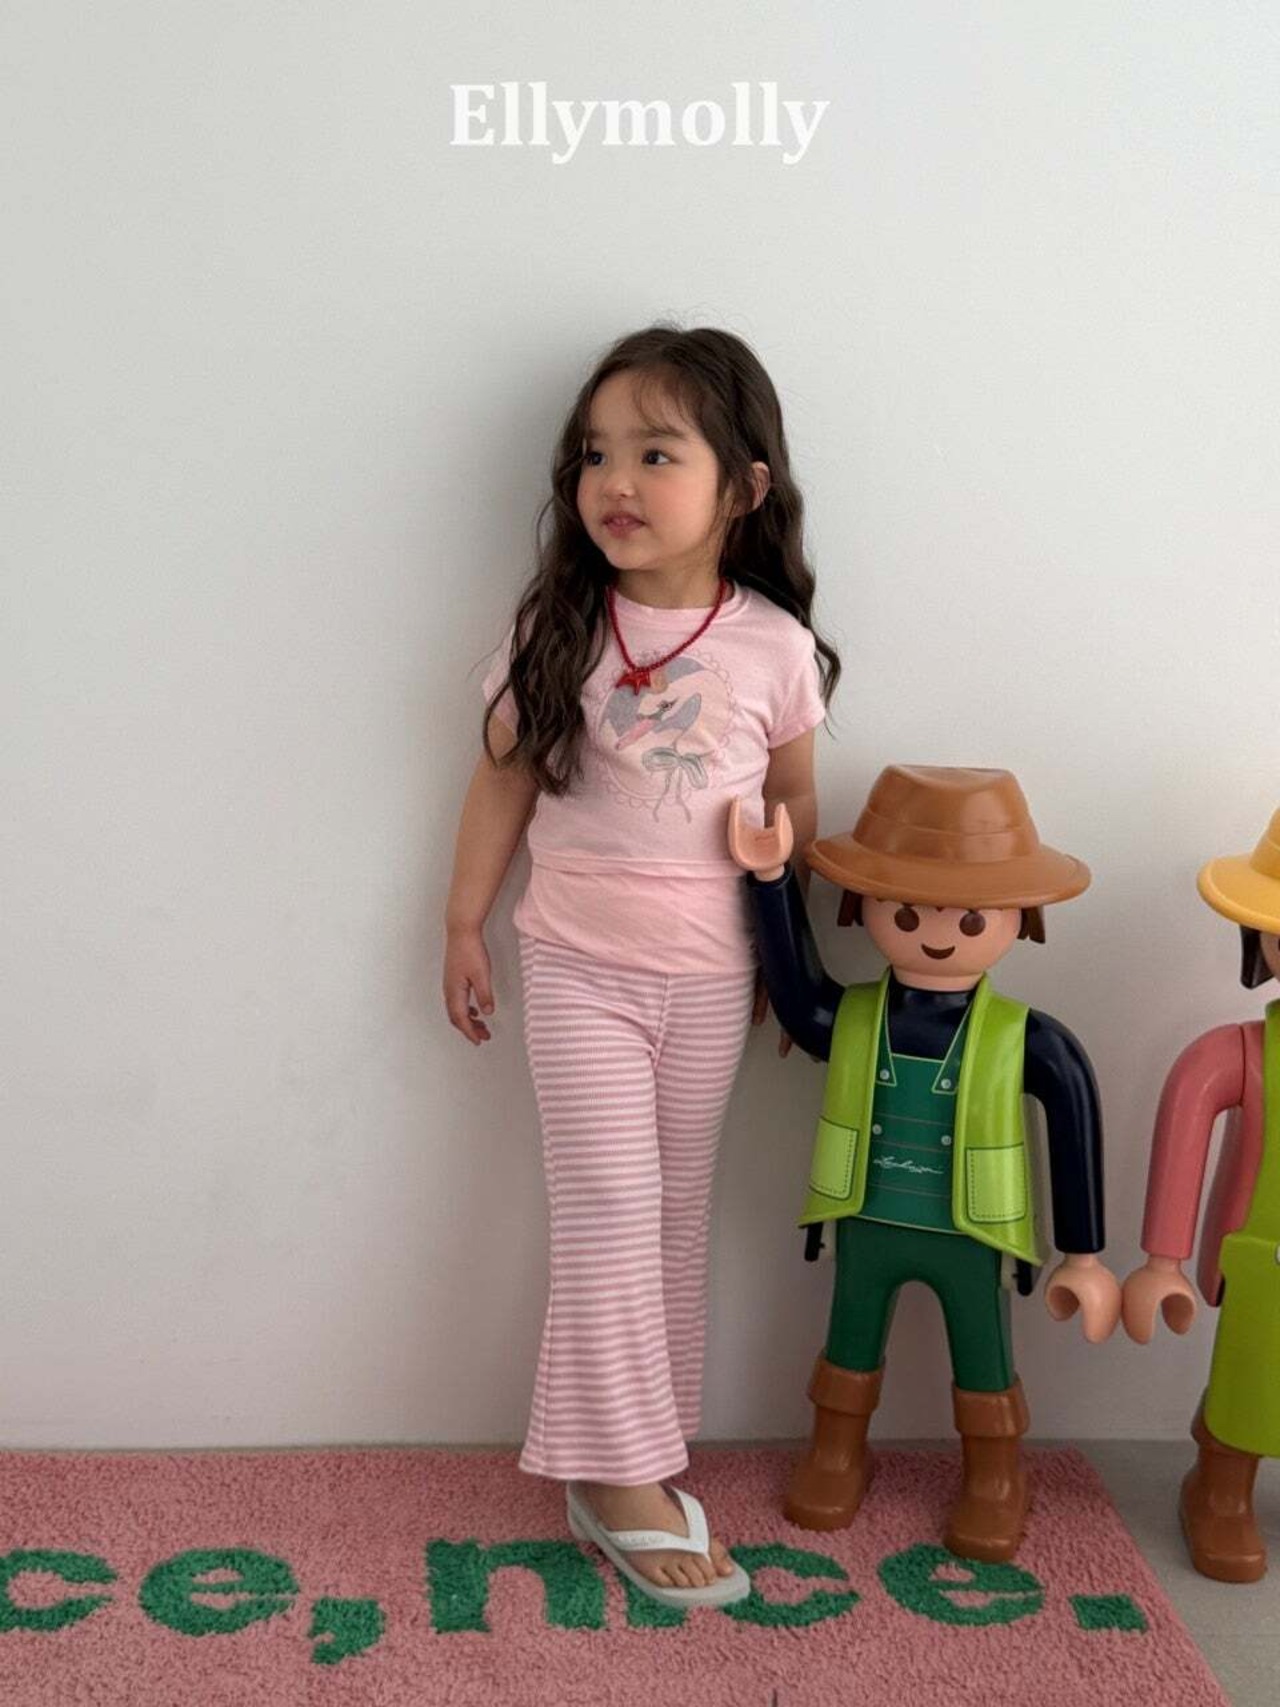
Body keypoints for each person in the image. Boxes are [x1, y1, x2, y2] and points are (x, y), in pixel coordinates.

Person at [442, 324, 841, 1609]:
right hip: (576, 969)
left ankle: (641, 1448)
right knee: (609, 1205)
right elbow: (500, 780)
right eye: (593, 455)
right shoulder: (558, 627)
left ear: (743, 487)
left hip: (712, 976)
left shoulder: (772, 648)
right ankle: (617, 1479)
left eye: (655, 454)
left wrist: (786, 951)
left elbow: (795, 811)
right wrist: (461, 924)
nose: (613, 481)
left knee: (672, 1210)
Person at [728, 764, 1121, 1562]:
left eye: (971, 917)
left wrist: (1085, 1253)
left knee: (984, 1353)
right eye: (907, 912)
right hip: (867, 1218)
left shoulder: (1027, 1036)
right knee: (848, 1342)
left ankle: (995, 1475)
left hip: (973, 1233)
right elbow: (799, 999)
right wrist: (770, 882)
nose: (937, 932)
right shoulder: (855, 1016)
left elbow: (1075, 1116)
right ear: (865, 907)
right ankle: (836, 1452)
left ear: (1021, 918)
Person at [1122, 807, 1280, 1582]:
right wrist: (1164, 1260)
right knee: (1250, 1376)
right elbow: (1185, 1126)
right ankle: (1220, 1486)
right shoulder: (1238, 1053)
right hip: (1262, 1260)